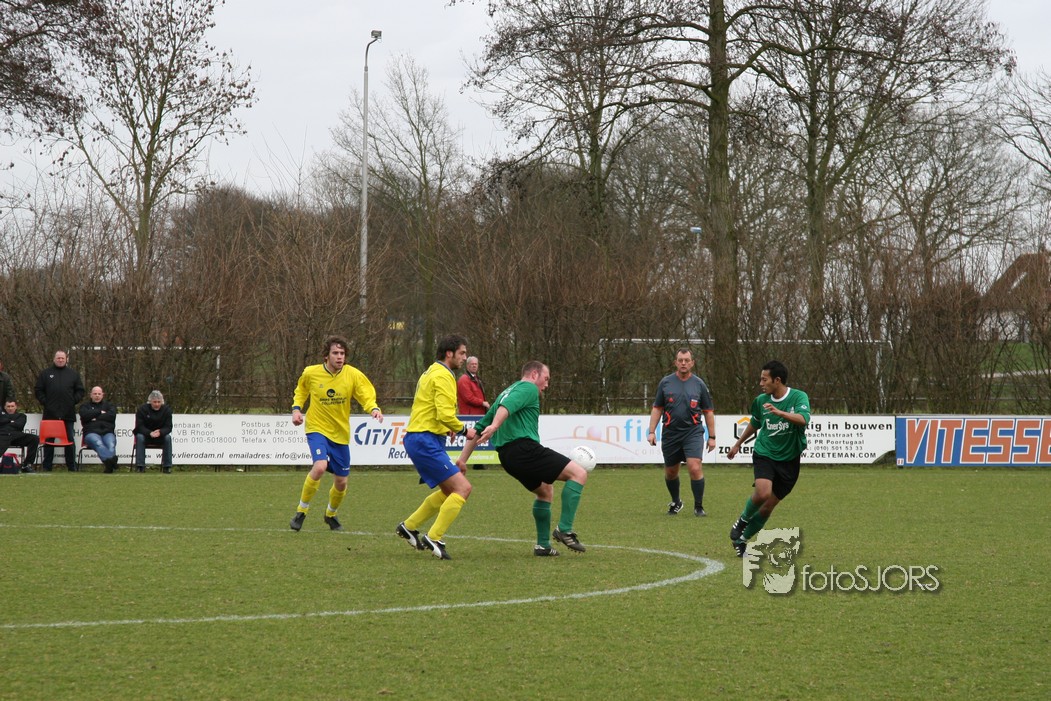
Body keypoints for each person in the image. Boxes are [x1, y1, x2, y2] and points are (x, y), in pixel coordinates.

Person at [456, 360, 590, 557]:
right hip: (524, 449)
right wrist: (495, 426)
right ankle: (564, 530)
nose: (547, 384)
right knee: (579, 474)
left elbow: (477, 430)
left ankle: (543, 546)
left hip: (507, 458)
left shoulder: (505, 393)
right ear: (534, 374)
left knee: (545, 491)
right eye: (546, 378)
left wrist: (462, 460)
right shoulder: (529, 388)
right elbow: (506, 408)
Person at [395, 334, 478, 560]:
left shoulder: (431, 371)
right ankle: (434, 537)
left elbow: (430, 407)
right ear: (449, 353)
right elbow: (444, 413)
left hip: (423, 438)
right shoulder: (443, 375)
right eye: (462, 353)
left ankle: (409, 526)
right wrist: (464, 431)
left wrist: (445, 428)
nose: (465, 357)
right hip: (424, 440)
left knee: (449, 491)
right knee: (463, 489)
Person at [289, 335, 383, 532]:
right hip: (317, 428)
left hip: (340, 434)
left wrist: (373, 408)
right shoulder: (311, 373)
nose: (340, 357)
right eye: (335, 353)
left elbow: (365, 394)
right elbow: (301, 391)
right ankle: (301, 511)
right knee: (320, 466)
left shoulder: (353, 375)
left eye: (342, 353)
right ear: (326, 356)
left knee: (341, 482)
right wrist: (297, 409)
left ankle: (330, 514)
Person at [727, 360, 811, 557]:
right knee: (763, 492)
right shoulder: (761, 401)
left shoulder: (798, 397)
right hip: (765, 452)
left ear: (777, 380)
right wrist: (738, 443)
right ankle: (742, 520)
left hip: (790, 460)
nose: (761, 383)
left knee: (767, 507)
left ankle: (741, 539)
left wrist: (780, 412)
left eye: (764, 379)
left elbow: (803, 419)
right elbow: (755, 423)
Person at [647, 348, 717, 517]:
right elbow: (657, 408)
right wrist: (651, 431)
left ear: (692, 363)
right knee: (671, 472)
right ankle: (676, 501)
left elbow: (708, 412)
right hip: (670, 434)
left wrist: (712, 437)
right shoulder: (665, 383)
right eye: (680, 360)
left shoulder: (699, 384)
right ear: (675, 362)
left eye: (687, 360)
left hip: (693, 432)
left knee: (694, 467)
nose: (683, 363)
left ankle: (698, 506)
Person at [33, 349, 85, 471]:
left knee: (70, 440)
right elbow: (38, 390)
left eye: (62, 358)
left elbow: (80, 391)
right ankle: (47, 467)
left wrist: (72, 401)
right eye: (58, 358)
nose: (60, 360)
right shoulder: (46, 374)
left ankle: (71, 466)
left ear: (66, 359)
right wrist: (46, 402)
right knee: (49, 441)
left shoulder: (73, 374)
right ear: (54, 359)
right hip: (50, 413)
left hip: (68, 413)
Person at [79, 386, 119, 473]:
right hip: (91, 433)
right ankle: (112, 461)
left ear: (102, 395)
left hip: (107, 432)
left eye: (99, 394)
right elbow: (84, 416)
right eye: (95, 394)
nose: (97, 395)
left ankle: (109, 467)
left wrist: (95, 417)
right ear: (91, 395)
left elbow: (111, 416)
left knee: (111, 444)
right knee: (98, 443)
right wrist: (100, 412)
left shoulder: (109, 405)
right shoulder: (84, 406)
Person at [134, 390, 174, 473]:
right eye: (154, 402)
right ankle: (140, 466)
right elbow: (140, 426)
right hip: (146, 435)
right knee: (139, 437)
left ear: (162, 401)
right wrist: (149, 433)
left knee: (168, 438)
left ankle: (167, 466)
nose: (157, 404)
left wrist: (160, 432)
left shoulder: (167, 410)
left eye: (159, 402)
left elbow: (168, 427)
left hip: (160, 436)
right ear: (150, 401)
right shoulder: (142, 409)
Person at [0, 400, 37, 472]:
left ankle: (27, 465)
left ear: (16, 407)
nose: (10, 408)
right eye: (8, 406)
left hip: (17, 437)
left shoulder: (21, 416)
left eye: (12, 406)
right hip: (3, 436)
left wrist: (6, 422)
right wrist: (11, 421)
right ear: (5, 407)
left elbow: (20, 425)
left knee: (34, 438)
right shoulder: (1, 416)